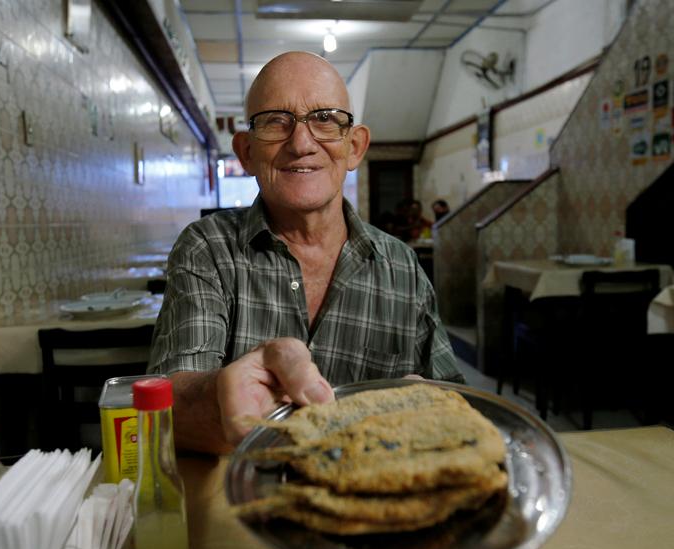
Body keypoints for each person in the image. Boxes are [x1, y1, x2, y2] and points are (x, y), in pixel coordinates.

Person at [148, 52, 463, 454]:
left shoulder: (402, 267)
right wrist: (222, 402)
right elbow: (168, 400)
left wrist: (435, 405)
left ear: (354, 147)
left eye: (325, 119)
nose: (301, 143)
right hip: (246, 487)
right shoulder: (208, 249)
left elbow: (452, 397)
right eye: (275, 121)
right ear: (246, 152)